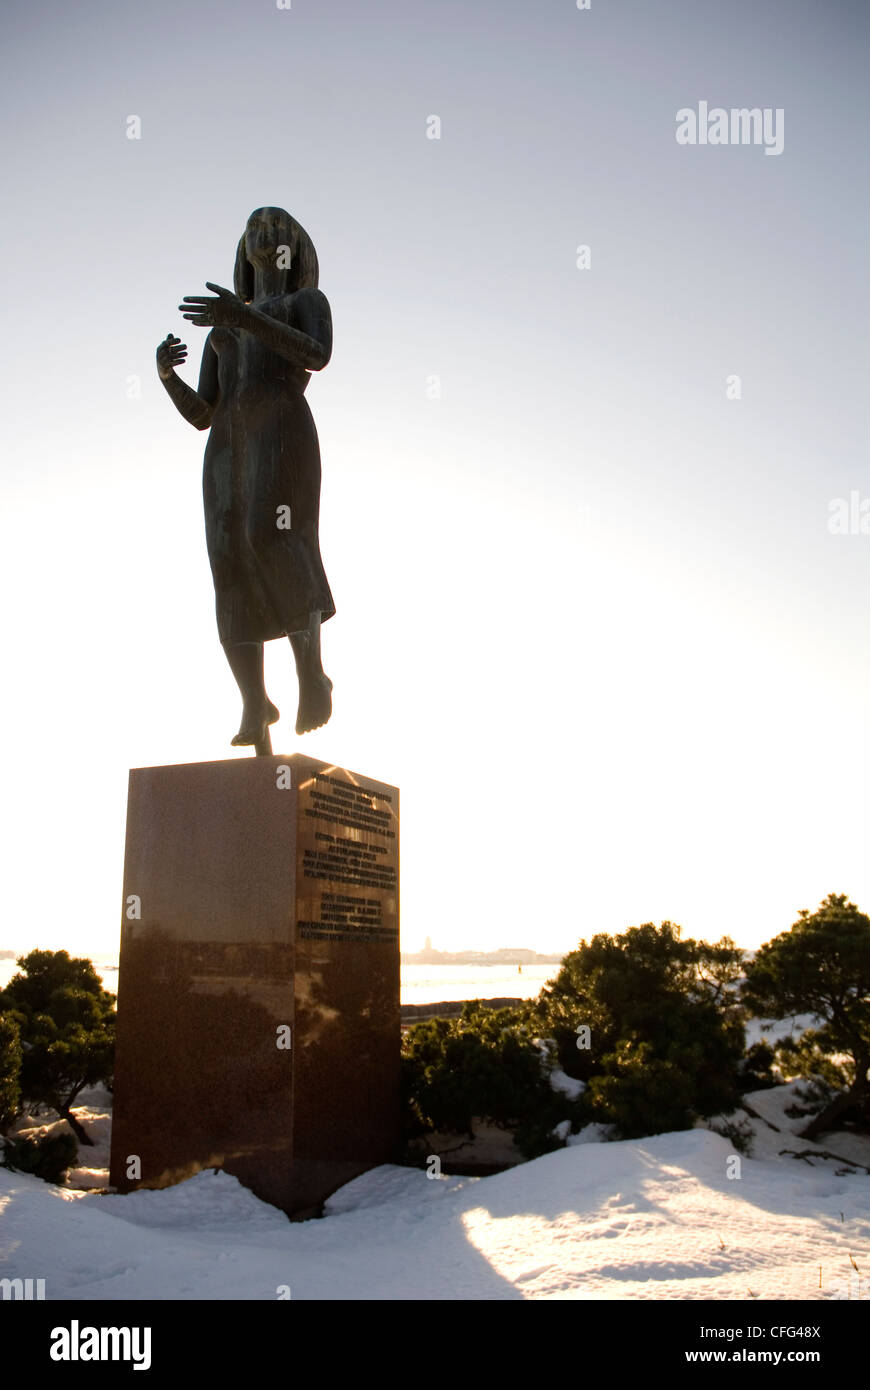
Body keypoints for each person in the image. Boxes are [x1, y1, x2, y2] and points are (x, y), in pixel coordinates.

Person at [156, 206, 335, 753]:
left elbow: (317, 354)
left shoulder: (304, 302)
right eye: (254, 228)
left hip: (279, 430)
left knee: (271, 535)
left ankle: (311, 674)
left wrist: (246, 317)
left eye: (274, 227)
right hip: (225, 449)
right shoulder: (224, 332)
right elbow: (203, 412)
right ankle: (255, 702)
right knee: (229, 562)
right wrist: (167, 376)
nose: (263, 234)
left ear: (293, 247)